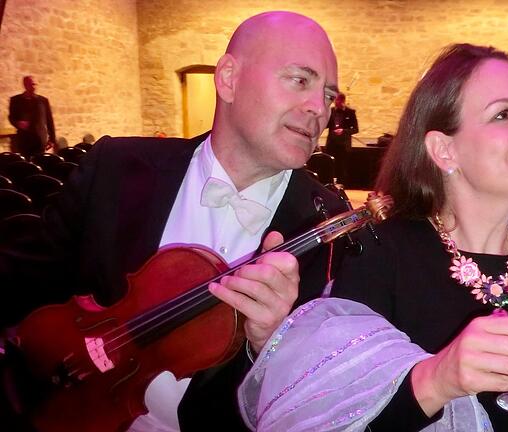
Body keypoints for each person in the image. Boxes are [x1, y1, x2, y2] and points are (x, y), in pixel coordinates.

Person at [238, 44, 508, 431]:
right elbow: (334, 420)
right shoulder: (382, 253)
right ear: (444, 151)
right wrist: (438, 378)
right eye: (503, 114)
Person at [0, 11, 345, 432]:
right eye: (299, 80)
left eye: (327, 94)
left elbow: (329, 402)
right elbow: (24, 282)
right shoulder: (115, 168)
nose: (320, 109)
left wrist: (272, 345)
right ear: (229, 79)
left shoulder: (334, 231)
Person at [8, 76, 56, 158]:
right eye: (31, 84)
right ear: (25, 85)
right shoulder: (15, 100)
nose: (33, 87)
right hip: (23, 139)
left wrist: (52, 139)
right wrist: (18, 123)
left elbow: (49, 120)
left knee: (40, 162)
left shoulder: (43, 101)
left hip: (40, 139)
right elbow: (11, 117)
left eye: (34, 84)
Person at [324, 92, 358, 184]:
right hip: (332, 143)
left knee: (342, 166)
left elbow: (355, 129)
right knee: (330, 165)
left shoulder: (350, 112)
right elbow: (326, 125)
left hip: (343, 145)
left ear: (342, 101)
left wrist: (343, 131)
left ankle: (341, 186)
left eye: (337, 100)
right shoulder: (331, 111)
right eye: (334, 100)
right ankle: (330, 184)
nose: (335, 102)